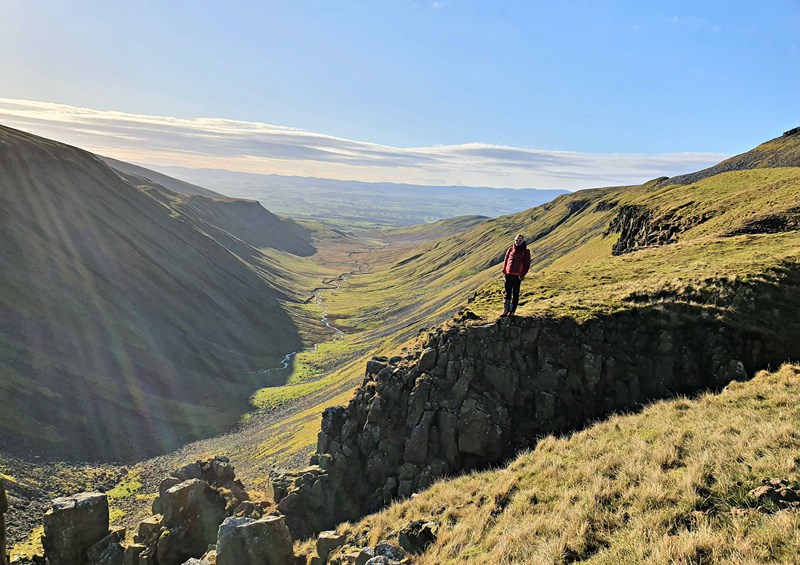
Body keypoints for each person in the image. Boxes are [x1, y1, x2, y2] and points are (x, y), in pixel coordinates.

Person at [501, 234, 531, 317]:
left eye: (520, 240)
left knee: (515, 293)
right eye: (516, 240)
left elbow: (527, 265)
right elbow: (506, 260)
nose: (518, 242)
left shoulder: (526, 252)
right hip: (508, 274)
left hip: (517, 276)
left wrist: (521, 275)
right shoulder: (510, 249)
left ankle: (512, 311)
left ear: (523, 241)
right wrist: (504, 271)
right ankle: (505, 310)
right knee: (507, 293)